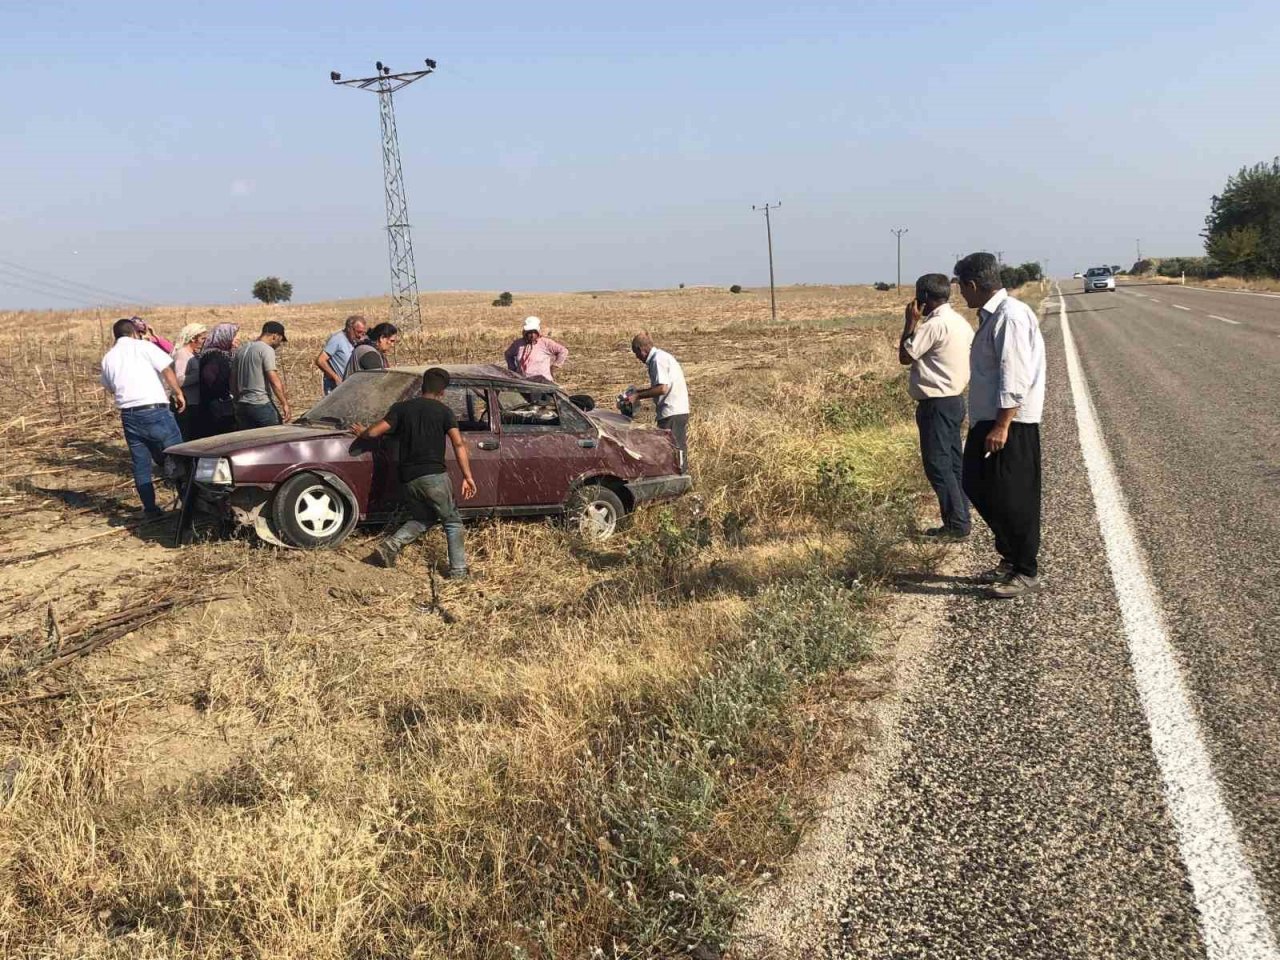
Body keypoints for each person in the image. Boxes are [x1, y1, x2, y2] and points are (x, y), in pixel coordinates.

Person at [955, 252, 1046, 599]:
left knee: (1014, 498)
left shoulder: (1010, 316)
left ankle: (1025, 570)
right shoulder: (992, 317)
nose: (961, 295)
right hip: (989, 419)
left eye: (962, 288)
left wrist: (1002, 425)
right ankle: (1010, 556)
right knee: (977, 484)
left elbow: (1015, 375)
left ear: (973, 285)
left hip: (1009, 422)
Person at [350, 367, 477, 577]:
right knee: (452, 521)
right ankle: (459, 571)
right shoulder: (444, 412)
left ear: (421, 387)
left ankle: (390, 547)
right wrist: (467, 476)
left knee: (424, 518)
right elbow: (458, 444)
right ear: (443, 392)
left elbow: (374, 432)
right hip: (434, 476)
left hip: (408, 478)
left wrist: (362, 431)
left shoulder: (401, 408)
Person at [899, 273, 974, 541]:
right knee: (954, 463)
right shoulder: (960, 322)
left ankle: (956, 524)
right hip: (955, 400)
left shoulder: (933, 325)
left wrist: (910, 323)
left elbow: (905, 356)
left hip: (936, 403)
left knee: (938, 465)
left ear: (924, 298)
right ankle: (962, 514)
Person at [100, 317, 186, 518]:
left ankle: (150, 509)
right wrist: (178, 393)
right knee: (180, 456)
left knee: (141, 464)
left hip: (129, 415)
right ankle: (188, 500)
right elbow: (166, 368)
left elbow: (109, 386)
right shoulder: (143, 347)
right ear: (133, 333)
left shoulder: (108, 357)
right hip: (155, 409)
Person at [625, 332, 690, 470]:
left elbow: (662, 388)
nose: (637, 358)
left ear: (641, 349)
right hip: (677, 410)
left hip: (672, 412)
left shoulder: (657, 360)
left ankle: (680, 479)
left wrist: (637, 396)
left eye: (636, 354)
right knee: (675, 448)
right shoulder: (662, 356)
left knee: (673, 451)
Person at [231, 321, 290, 429]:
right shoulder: (266, 350)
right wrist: (284, 403)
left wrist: (236, 400)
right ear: (275, 336)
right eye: (280, 340)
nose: (279, 344)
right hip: (260, 403)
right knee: (275, 437)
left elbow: (233, 380)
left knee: (250, 441)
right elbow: (273, 379)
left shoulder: (242, 350)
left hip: (242, 405)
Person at [198, 323, 239, 436]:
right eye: (233, 336)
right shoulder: (214, 356)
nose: (236, 339)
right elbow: (211, 381)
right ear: (224, 337)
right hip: (217, 407)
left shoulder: (222, 354)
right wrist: (227, 392)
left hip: (219, 404)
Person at [171, 323, 207, 440]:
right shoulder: (182, 354)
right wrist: (201, 376)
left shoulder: (194, 354)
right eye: (202, 338)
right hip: (187, 402)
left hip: (194, 401)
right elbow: (179, 380)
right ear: (193, 338)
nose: (204, 341)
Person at [504, 316, 568, 382]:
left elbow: (563, 351)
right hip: (523, 381)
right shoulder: (518, 344)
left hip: (543, 382)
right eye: (529, 332)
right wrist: (512, 369)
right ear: (525, 333)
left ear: (538, 332)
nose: (532, 335)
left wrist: (554, 366)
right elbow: (508, 354)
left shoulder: (545, 343)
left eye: (534, 332)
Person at [315, 314, 367, 394]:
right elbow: (320, 360)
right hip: (337, 389)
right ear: (349, 329)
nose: (360, 336)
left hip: (350, 387)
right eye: (358, 332)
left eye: (363, 333)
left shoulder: (355, 341)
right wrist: (335, 377)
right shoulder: (337, 339)